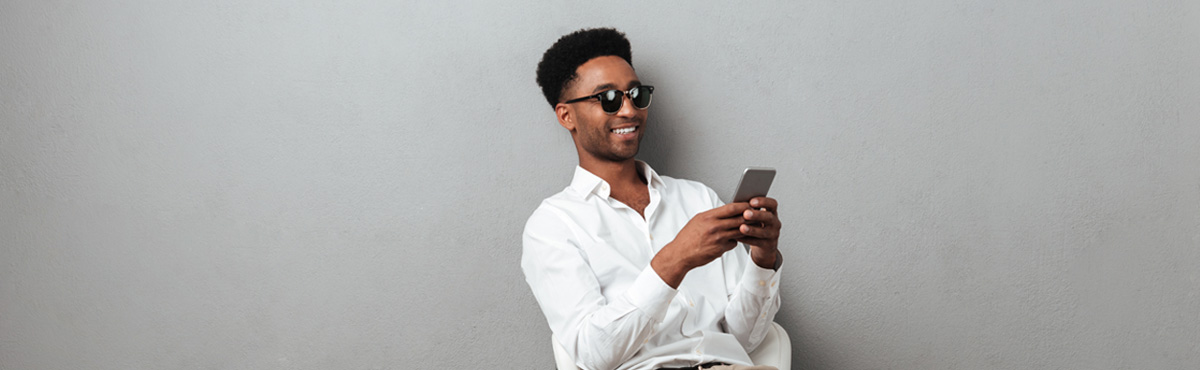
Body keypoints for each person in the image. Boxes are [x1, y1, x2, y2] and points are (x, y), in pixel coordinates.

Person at [522, 28, 784, 370]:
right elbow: (593, 355)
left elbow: (745, 339)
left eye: (636, 94)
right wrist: (675, 260)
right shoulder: (553, 226)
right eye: (609, 98)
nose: (629, 110)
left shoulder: (698, 198)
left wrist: (763, 258)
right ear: (566, 116)